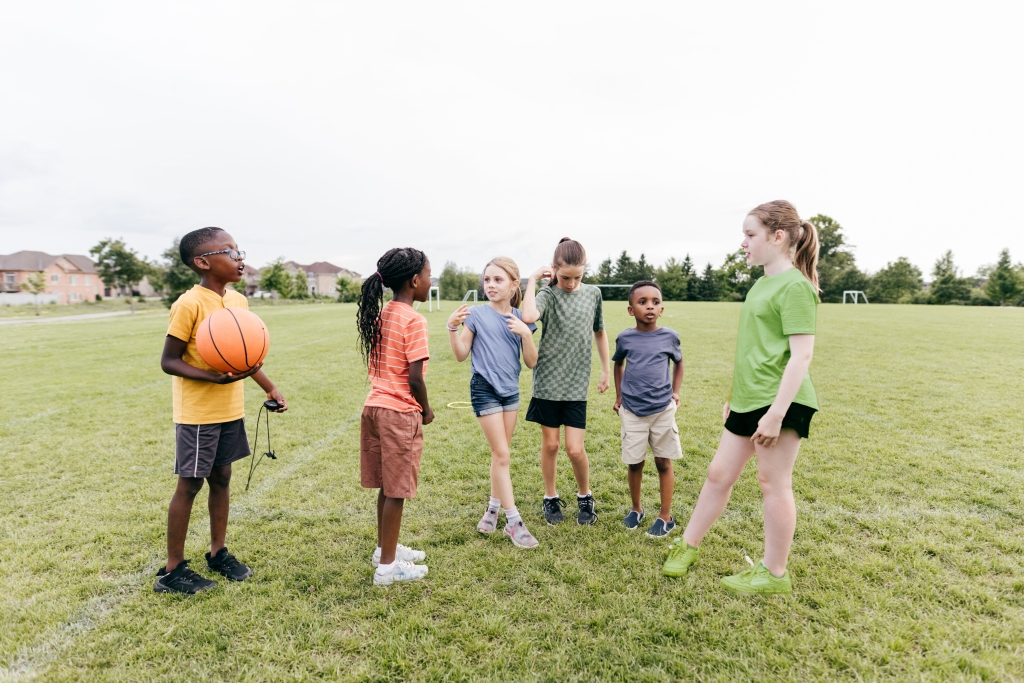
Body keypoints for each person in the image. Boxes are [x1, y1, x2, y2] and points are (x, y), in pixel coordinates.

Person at [663, 200, 819, 595]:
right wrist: (736, 396)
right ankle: (688, 546)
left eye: (751, 235)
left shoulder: (796, 286)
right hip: (749, 400)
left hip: (780, 403)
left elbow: (801, 355)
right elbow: (753, 348)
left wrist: (775, 415)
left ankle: (774, 574)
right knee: (719, 474)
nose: (744, 244)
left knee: (773, 482)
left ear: (778, 237)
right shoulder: (761, 284)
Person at [155, 227, 288, 595]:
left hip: (230, 409)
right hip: (198, 411)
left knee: (223, 478)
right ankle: (172, 570)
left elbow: (245, 357)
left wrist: (270, 387)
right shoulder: (189, 304)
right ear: (203, 261)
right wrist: (210, 378)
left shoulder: (239, 302)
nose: (240, 257)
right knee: (190, 484)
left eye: (239, 250)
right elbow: (169, 361)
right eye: (230, 251)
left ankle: (218, 552)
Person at [447, 257, 540, 548]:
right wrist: (452, 329)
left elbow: (531, 362)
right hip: (484, 388)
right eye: (487, 280)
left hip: (510, 391)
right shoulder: (476, 315)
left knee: (500, 455)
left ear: (514, 284)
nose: (490, 285)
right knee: (502, 455)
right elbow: (462, 354)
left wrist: (526, 335)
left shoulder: (521, 319)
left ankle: (492, 509)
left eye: (498, 280)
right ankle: (514, 522)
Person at [356, 248, 434, 585]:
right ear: (415, 280)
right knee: (397, 490)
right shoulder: (414, 319)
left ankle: (384, 549)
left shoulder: (382, 313)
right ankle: (387, 568)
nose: (431, 282)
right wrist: (426, 410)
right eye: (430, 275)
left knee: (387, 487)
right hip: (398, 413)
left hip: (373, 408)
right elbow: (415, 378)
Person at [521, 238, 610, 525]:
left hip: (576, 384)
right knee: (551, 445)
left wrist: (606, 369)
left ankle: (585, 496)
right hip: (548, 381)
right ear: (555, 270)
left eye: (577, 277)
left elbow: (599, 331)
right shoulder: (549, 295)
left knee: (575, 448)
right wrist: (533, 280)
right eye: (565, 277)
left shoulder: (593, 294)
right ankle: (550, 497)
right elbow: (528, 315)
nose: (571, 283)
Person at [611, 280, 684, 538]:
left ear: (661, 309)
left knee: (663, 462)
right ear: (631, 310)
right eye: (642, 302)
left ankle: (666, 516)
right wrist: (619, 396)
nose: (650, 307)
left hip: (662, 409)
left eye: (655, 302)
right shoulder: (625, 338)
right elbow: (618, 365)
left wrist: (675, 392)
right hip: (632, 410)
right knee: (634, 464)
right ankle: (636, 509)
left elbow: (679, 362)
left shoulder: (669, 336)